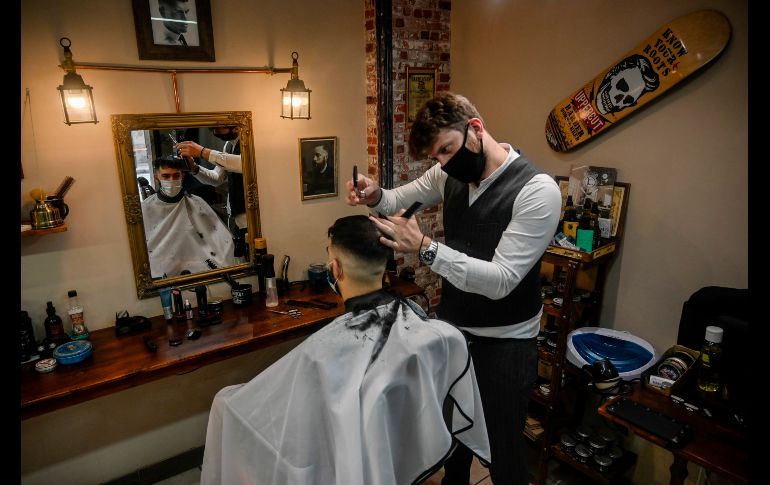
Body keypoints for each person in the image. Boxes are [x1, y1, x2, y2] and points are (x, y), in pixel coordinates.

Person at [346, 92, 562, 484]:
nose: (444, 163)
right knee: (454, 444)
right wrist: (373, 194)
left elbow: (501, 281)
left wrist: (426, 248)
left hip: (506, 344)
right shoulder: (449, 174)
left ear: (475, 129)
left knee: (503, 456)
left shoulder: (537, 190)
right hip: (455, 335)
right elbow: (395, 199)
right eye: (437, 157)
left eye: (447, 149)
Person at [200, 215, 490, 484]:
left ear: (335, 269)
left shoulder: (319, 352)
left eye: (329, 255)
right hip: (399, 436)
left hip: (354, 443)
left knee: (225, 402)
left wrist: (227, 404)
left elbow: (287, 411)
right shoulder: (429, 327)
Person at [142, 156, 235, 278]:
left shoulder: (197, 203)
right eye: (166, 176)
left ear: (182, 176)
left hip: (198, 265)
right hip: (162, 268)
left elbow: (222, 241)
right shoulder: (146, 207)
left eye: (176, 175)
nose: (171, 180)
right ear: (156, 177)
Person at [176, 126, 248, 261]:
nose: (215, 132)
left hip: (253, 217)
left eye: (218, 128)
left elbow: (245, 163)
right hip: (236, 217)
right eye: (211, 129)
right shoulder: (229, 145)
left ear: (235, 126)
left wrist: (203, 152)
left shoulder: (252, 142)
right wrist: (194, 168)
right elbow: (216, 178)